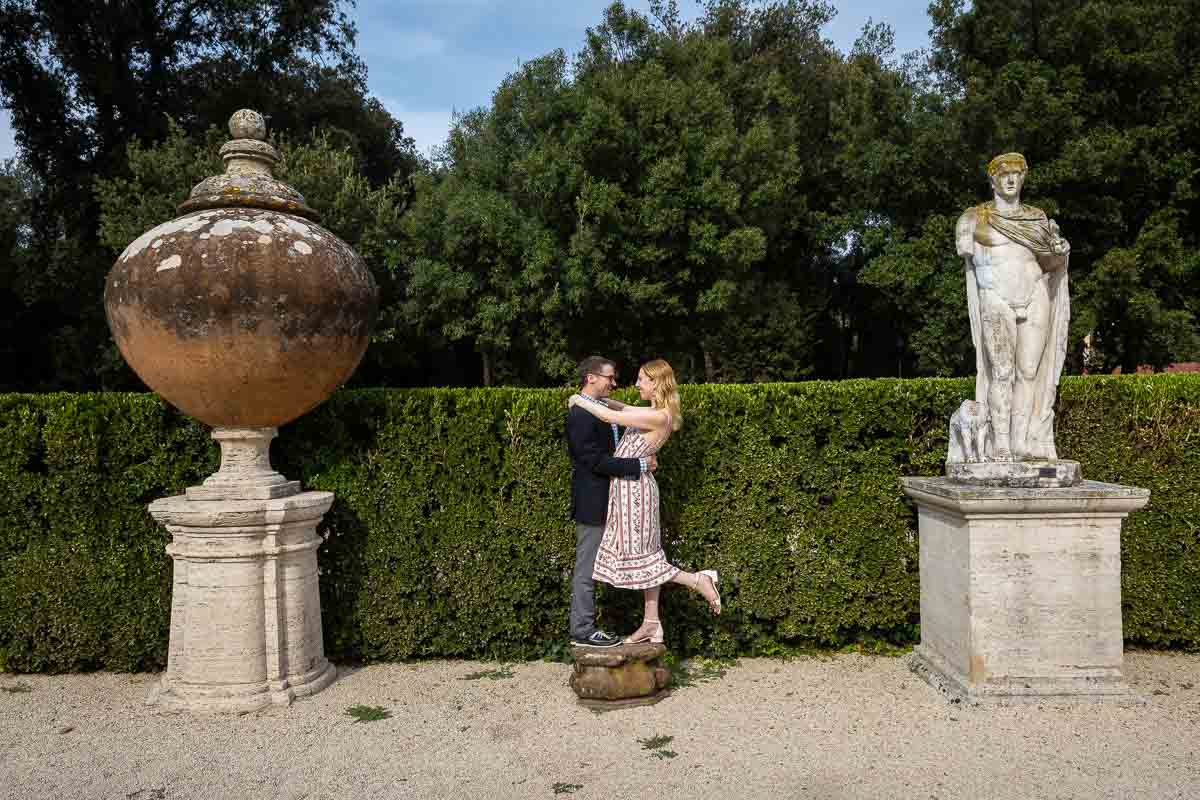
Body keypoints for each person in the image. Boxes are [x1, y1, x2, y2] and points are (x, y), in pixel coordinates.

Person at [567, 358, 720, 645]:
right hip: (625, 492)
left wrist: (578, 399)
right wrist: (591, 399)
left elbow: (614, 417)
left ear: (656, 383)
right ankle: (651, 624)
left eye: (641, 379)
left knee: (645, 560)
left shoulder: (659, 416)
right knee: (645, 556)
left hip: (635, 493)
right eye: (611, 378)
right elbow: (620, 409)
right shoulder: (652, 411)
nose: (632, 384)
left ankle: (698, 580)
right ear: (591, 377)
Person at [956, 152, 1071, 461]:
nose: (1010, 179)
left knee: (1029, 371)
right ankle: (1001, 442)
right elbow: (969, 258)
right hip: (996, 296)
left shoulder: (1038, 218)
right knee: (1002, 372)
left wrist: (1060, 252)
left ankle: (1021, 440)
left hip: (1034, 293)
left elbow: (1049, 263)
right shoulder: (973, 218)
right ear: (992, 179)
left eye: (1016, 174)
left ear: (1023, 178)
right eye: (1003, 174)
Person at [566, 356, 657, 648]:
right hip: (594, 502)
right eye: (609, 377)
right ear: (590, 377)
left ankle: (648, 622)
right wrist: (640, 466)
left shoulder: (600, 408)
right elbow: (593, 461)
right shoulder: (580, 415)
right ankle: (582, 630)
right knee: (587, 567)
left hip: (619, 501)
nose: (614, 383)